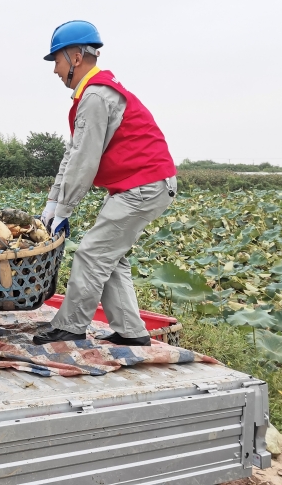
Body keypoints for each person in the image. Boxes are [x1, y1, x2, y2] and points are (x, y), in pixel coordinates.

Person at [34, 21, 177, 347]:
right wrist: (52, 205)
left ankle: (70, 325)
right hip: (140, 185)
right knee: (110, 257)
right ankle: (131, 331)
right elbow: (72, 155)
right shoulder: (92, 93)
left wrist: (64, 210)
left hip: (145, 185)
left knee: (90, 254)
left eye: (56, 60)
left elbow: (84, 162)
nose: (55, 70)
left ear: (75, 57)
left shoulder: (97, 96)